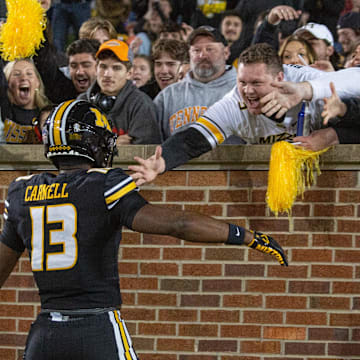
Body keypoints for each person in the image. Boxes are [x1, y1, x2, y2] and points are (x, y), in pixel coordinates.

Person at [0, 99, 287, 359]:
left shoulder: (22, 191)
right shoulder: (104, 184)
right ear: (92, 142)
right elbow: (180, 224)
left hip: (45, 335)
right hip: (96, 328)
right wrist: (248, 237)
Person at [128, 43, 360, 185]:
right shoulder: (233, 102)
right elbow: (195, 137)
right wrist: (163, 162)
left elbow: (356, 77)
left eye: (256, 83)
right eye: (242, 82)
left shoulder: (303, 79)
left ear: (280, 78)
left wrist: (331, 132)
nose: (248, 91)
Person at [154, 25, 236, 140]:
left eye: (209, 49)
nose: (202, 55)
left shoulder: (242, 90)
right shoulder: (168, 96)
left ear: (226, 52)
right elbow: (152, 144)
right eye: (196, 50)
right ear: (189, 54)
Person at [78, 39, 161, 145]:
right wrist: (109, 143)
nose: (107, 74)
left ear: (129, 73)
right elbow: (75, 145)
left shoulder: (141, 104)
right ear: (96, 68)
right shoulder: (82, 102)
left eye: (116, 68)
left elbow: (143, 153)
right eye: (103, 66)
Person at [0, 58, 52, 143]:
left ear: (37, 82)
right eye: (16, 74)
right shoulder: (3, 110)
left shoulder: (50, 114)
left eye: (29, 73)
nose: (23, 78)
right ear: (7, 82)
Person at [34, 38, 100, 104]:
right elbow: (45, 63)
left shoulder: (107, 94)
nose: (79, 72)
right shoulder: (63, 92)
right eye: (74, 66)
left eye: (86, 65)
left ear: (99, 66)